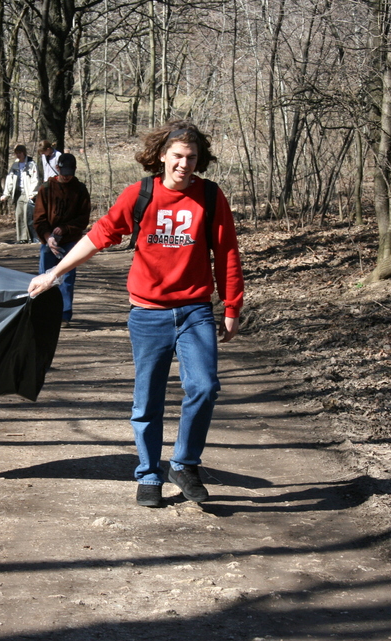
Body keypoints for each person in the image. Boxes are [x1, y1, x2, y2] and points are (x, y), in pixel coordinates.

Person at [28, 121, 244, 508]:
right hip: (148, 313)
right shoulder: (140, 194)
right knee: (148, 400)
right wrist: (54, 274)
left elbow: (227, 252)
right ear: (162, 155)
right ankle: (148, 474)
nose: (184, 164)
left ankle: (184, 464)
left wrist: (232, 306)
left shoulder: (210, 196)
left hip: (194, 309)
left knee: (205, 387)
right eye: (177, 156)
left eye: (191, 157)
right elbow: (97, 236)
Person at [32, 152, 91, 326]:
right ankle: (43, 313)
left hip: (70, 241)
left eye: (69, 173)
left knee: (67, 279)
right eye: (64, 173)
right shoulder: (46, 189)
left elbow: (83, 219)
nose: (66, 177)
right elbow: (39, 219)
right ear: (57, 168)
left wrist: (65, 228)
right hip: (48, 241)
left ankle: (64, 315)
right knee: (45, 277)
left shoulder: (80, 189)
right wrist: (47, 237)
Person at [0, 144, 40, 243]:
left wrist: (32, 193)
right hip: (18, 193)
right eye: (16, 153)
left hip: (28, 193)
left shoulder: (31, 164)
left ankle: (30, 237)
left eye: (20, 153)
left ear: (24, 153)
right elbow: (9, 180)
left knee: (28, 216)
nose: (18, 155)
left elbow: (35, 180)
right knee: (19, 215)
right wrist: (6, 194)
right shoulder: (15, 165)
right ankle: (22, 238)